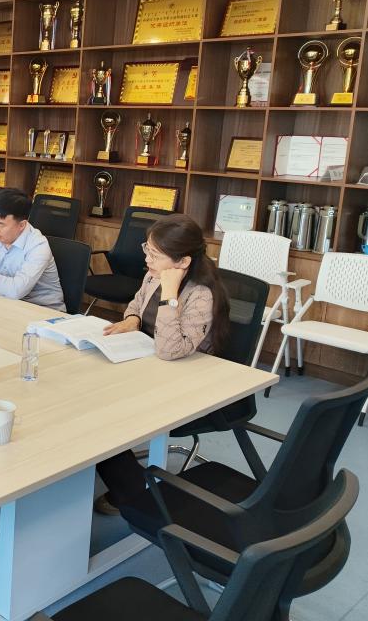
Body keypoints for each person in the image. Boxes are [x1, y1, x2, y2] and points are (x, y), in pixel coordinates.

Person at [93, 213, 230, 515]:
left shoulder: (200, 294)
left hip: (184, 381)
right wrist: (133, 319)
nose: (147, 260)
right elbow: (136, 302)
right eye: (148, 249)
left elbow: (171, 350)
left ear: (183, 262)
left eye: (155, 255)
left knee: (102, 416)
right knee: (91, 395)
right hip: (148, 366)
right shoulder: (154, 275)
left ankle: (131, 491)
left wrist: (170, 294)